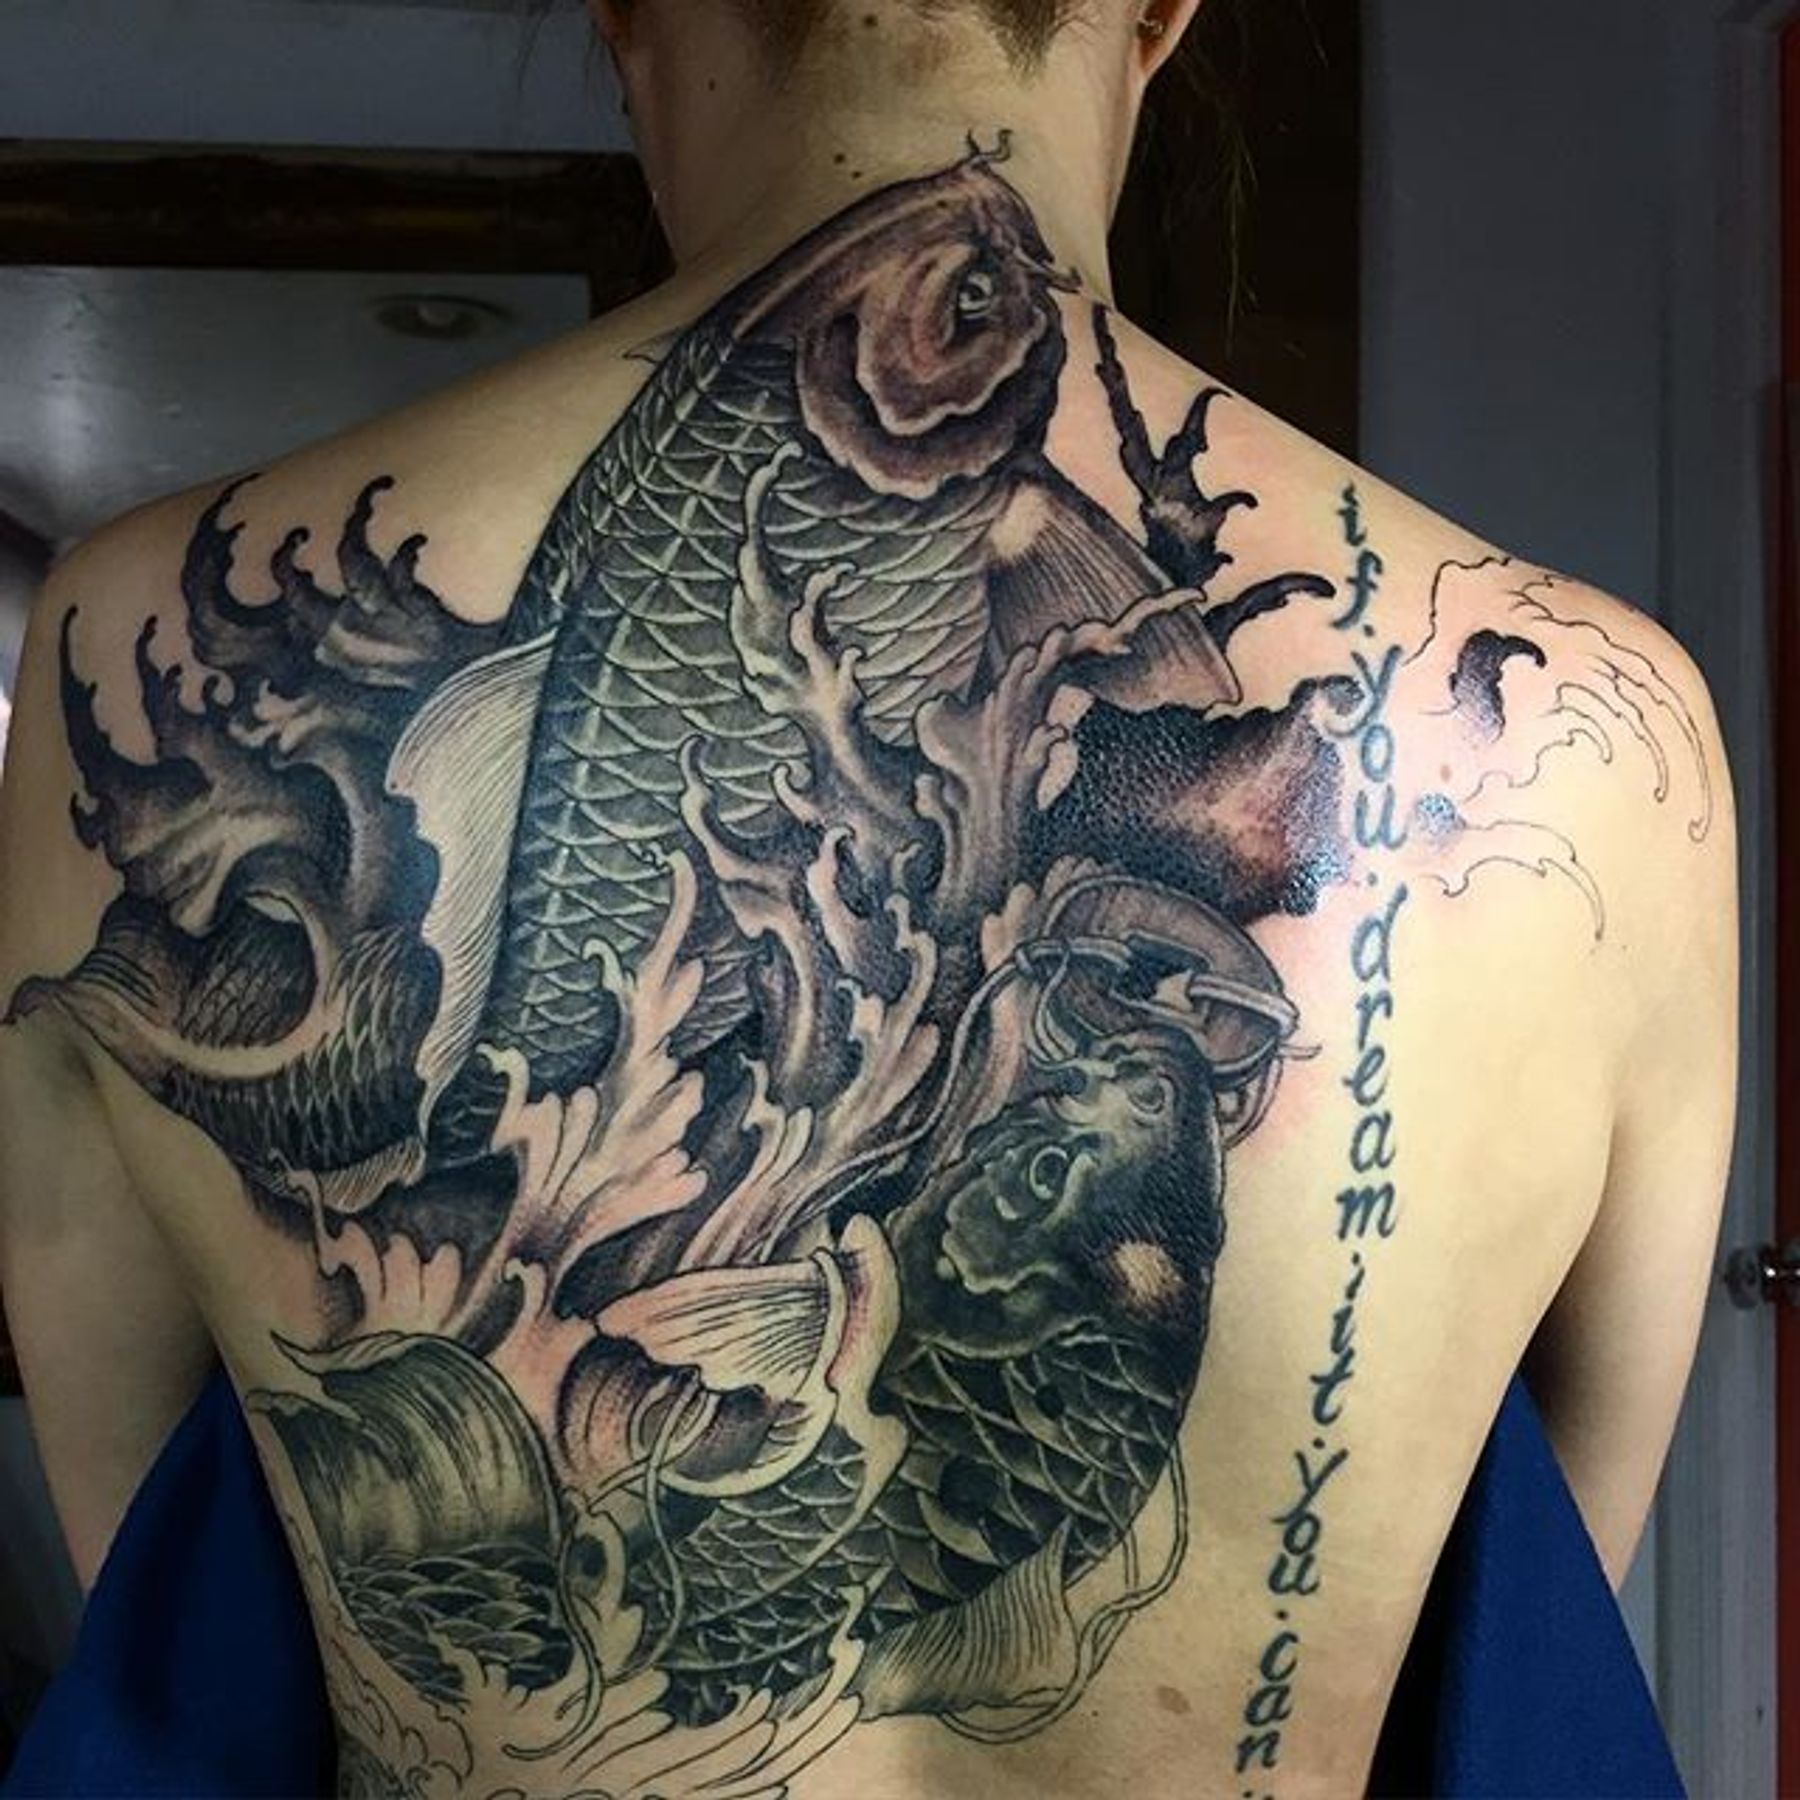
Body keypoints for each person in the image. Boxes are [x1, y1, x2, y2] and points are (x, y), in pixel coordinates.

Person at [0, 3, 1737, 1795]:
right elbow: (1521, 1606)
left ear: (619, 17)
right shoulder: (1612, 745)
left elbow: (179, 1604)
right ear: (1160, 15)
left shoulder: (122, 641)